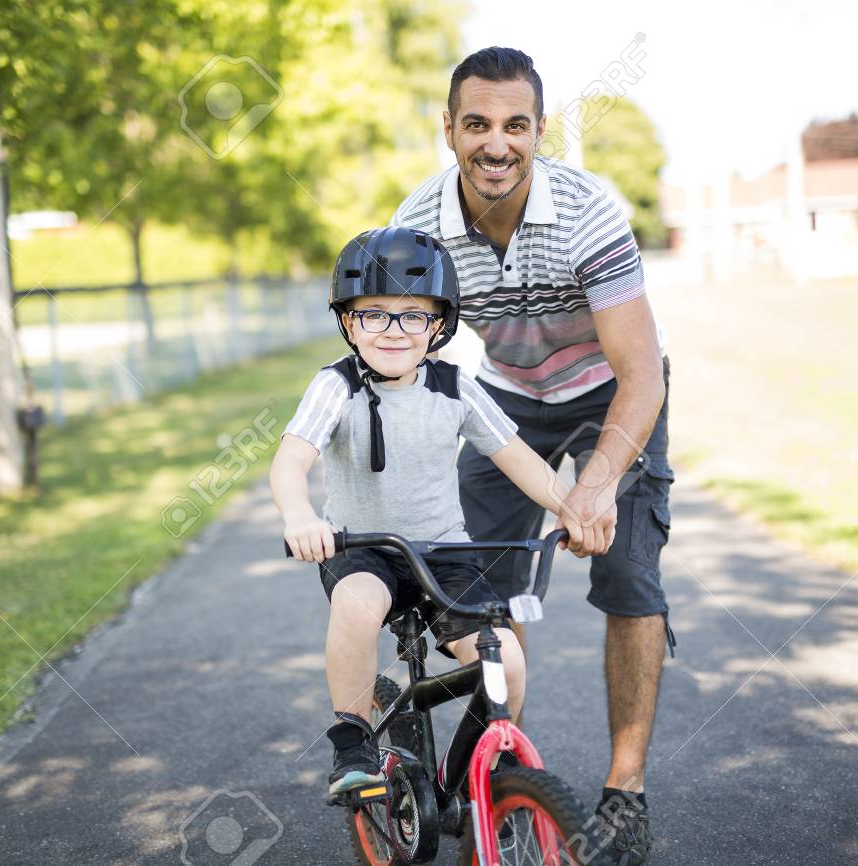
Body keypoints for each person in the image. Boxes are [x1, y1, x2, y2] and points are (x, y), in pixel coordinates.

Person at [389, 47, 673, 866]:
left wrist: (596, 484)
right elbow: (404, 360)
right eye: (476, 123)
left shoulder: (586, 213)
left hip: (613, 393)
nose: (496, 143)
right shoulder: (418, 229)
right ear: (448, 131)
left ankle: (625, 791)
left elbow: (640, 373)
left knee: (627, 574)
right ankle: (504, 762)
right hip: (510, 396)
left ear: (539, 131)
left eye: (516, 125)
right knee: (478, 579)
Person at [269, 226, 607, 800]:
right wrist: (300, 516)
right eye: (374, 314)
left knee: (509, 661)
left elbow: (521, 461)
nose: (394, 330)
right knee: (358, 604)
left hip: (446, 554)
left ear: (439, 324)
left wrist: (572, 507)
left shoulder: (456, 387)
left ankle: (484, 771)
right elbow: (289, 462)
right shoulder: (336, 386)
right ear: (349, 322)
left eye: (413, 315)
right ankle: (353, 745)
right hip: (365, 550)